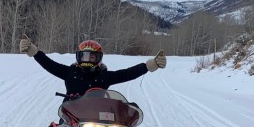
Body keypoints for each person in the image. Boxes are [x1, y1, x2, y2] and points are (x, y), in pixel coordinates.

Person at [19, 35, 166, 97]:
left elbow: (127, 73)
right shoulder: (70, 72)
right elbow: (50, 64)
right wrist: (34, 52)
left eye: (92, 56)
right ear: (78, 56)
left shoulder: (104, 76)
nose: (87, 59)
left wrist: (149, 65)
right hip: (70, 116)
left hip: (98, 118)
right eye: (84, 56)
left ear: (99, 58)